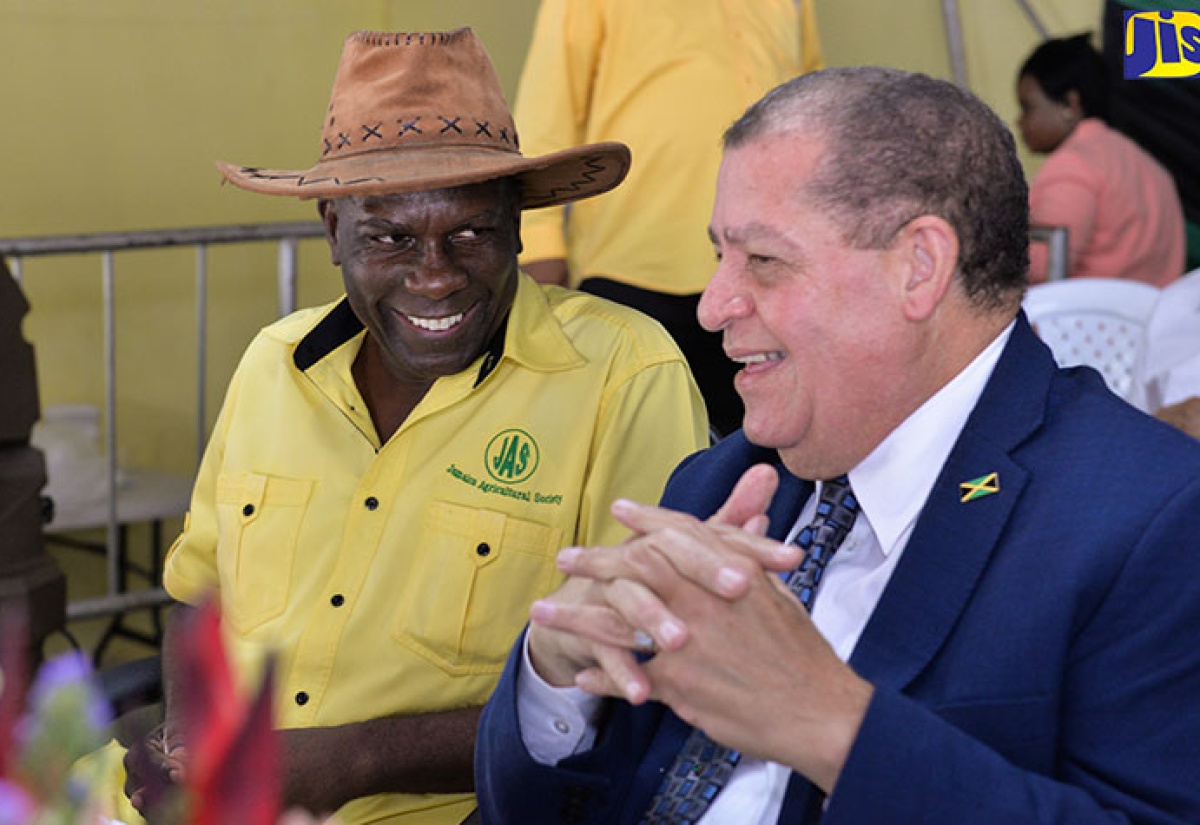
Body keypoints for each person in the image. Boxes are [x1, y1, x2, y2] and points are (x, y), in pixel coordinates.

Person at [474, 67, 1200, 823]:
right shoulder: (715, 483)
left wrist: (836, 728)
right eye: (719, 254)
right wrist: (554, 680)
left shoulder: (1157, 518)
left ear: (919, 267)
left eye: (762, 261)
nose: (714, 304)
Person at [119, 28, 708, 825]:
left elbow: (636, 680)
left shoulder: (624, 374)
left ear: (518, 224)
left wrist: (354, 760)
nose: (435, 274)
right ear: (333, 230)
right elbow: (200, 595)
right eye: (390, 237)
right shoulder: (272, 365)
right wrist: (195, 743)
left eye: (471, 231)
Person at [512, 0, 822, 437]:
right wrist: (540, 255)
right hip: (633, 271)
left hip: (766, 271)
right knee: (639, 454)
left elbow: (811, 114)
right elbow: (547, 117)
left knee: (764, 456)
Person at [1017, 33, 1185, 286]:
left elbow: (1043, 265)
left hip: (1089, 319)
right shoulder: (1143, 162)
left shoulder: (1073, 164)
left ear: (1070, 104)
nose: (1020, 122)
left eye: (1028, 107)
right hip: (1156, 318)